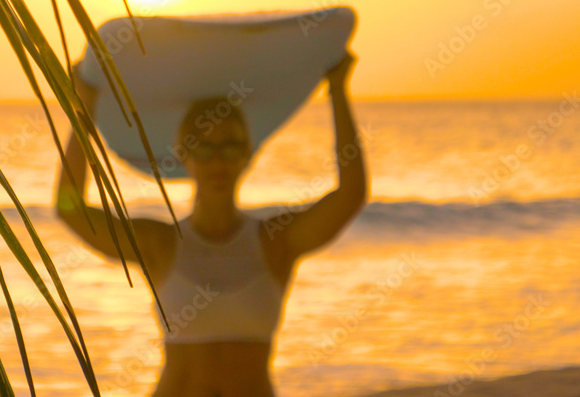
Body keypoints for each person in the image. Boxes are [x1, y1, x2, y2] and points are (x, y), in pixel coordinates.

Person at [54, 52, 367, 396]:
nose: (217, 160)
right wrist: (83, 107)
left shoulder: (276, 241)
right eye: (204, 148)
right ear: (183, 154)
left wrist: (338, 91)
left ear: (248, 152)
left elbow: (351, 194)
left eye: (230, 147)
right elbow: (71, 209)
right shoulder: (159, 243)